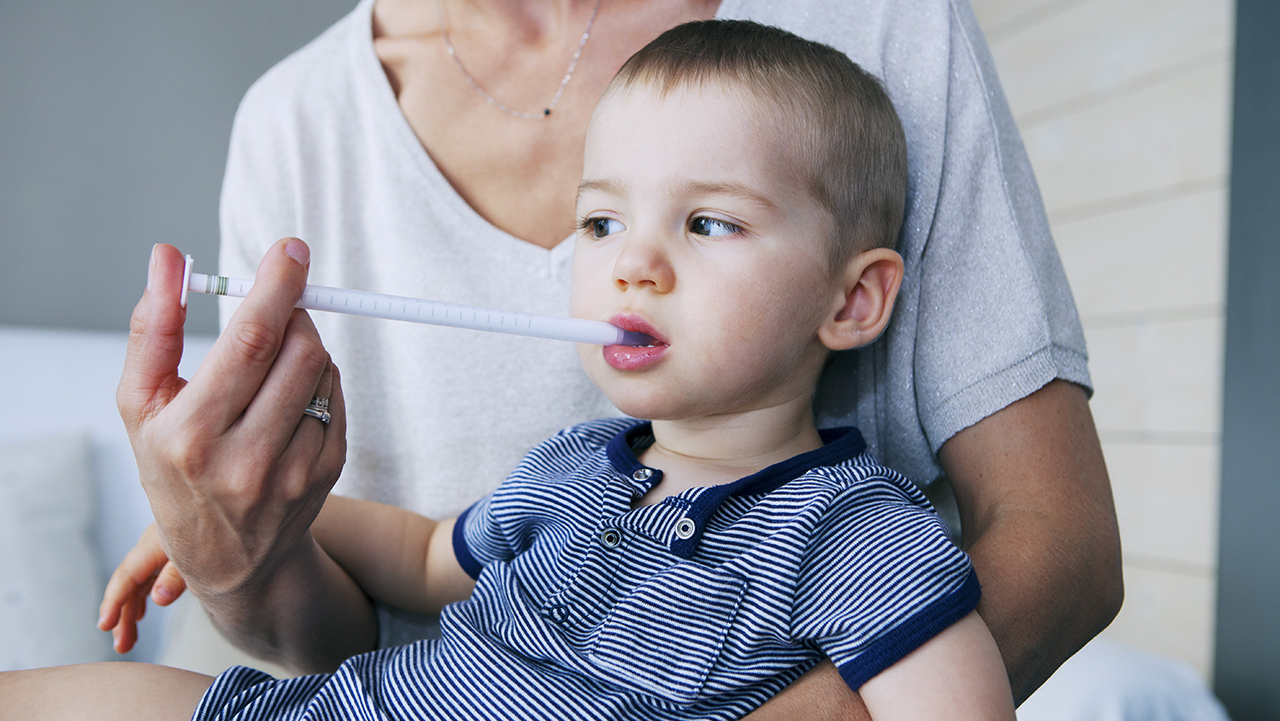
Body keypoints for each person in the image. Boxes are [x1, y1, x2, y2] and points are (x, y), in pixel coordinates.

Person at [101, 0, 1119, 718]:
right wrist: (240, 533)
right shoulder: (580, 466)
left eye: (708, 224)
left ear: (852, 299)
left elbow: (1043, 565)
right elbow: (419, 556)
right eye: (598, 223)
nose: (632, 264)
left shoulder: (852, 534)